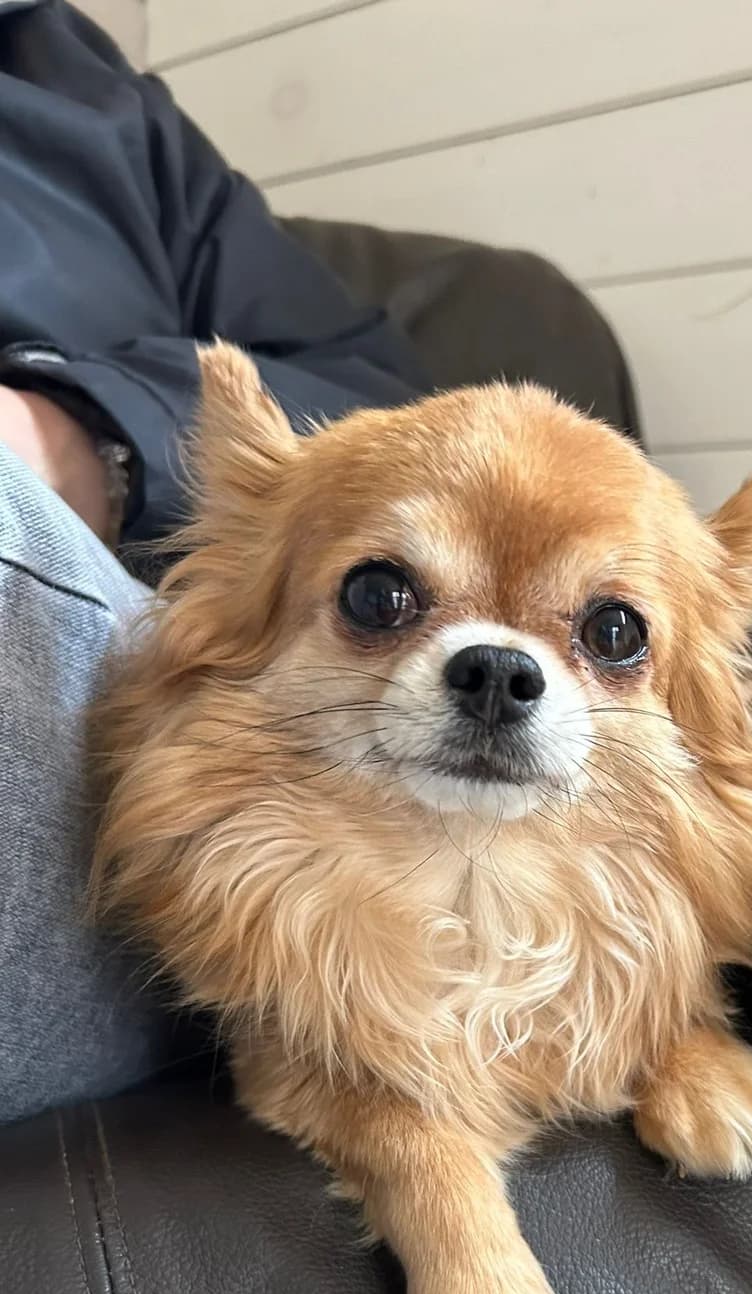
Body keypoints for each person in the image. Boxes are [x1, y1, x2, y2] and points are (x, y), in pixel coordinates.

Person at [0, 1, 636, 1123]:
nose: (502, 665)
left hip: (105, 606)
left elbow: (377, 391)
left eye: (609, 636)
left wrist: (75, 433)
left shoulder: (73, 77)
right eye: (388, 598)